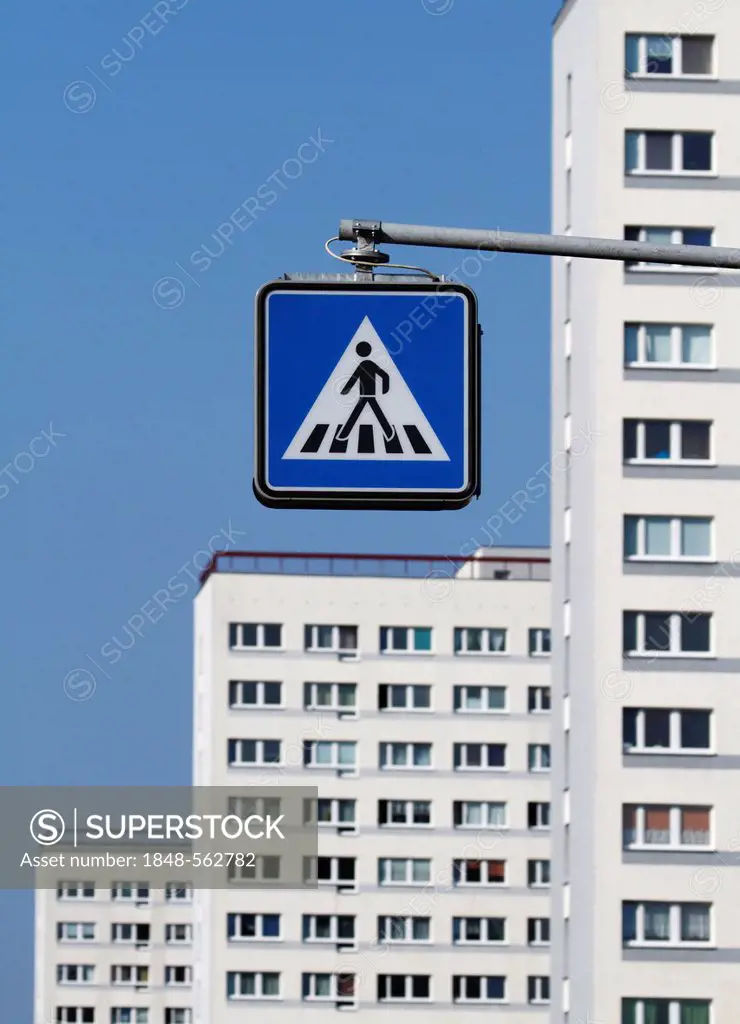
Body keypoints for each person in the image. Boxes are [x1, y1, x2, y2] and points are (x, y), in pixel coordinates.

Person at [336, 342, 395, 442]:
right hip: (370, 393)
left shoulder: (363, 364)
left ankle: (343, 434)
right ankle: (389, 433)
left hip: (365, 394)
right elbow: (385, 376)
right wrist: (385, 389)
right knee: (372, 413)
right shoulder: (371, 364)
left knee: (358, 413)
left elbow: (353, 378)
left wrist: (346, 390)